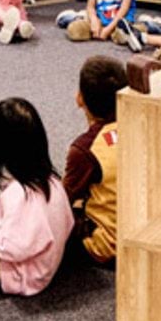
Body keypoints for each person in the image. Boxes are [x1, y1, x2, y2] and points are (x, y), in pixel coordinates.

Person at [0, 97, 74, 295]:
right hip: (43, 261)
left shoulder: (19, 193)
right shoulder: (52, 181)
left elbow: (11, 248)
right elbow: (68, 222)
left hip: (25, 274)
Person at [62, 54, 125, 265]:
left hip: (107, 247)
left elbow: (61, 202)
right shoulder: (143, 123)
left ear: (80, 98)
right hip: (142, 233)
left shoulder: (84, 149)